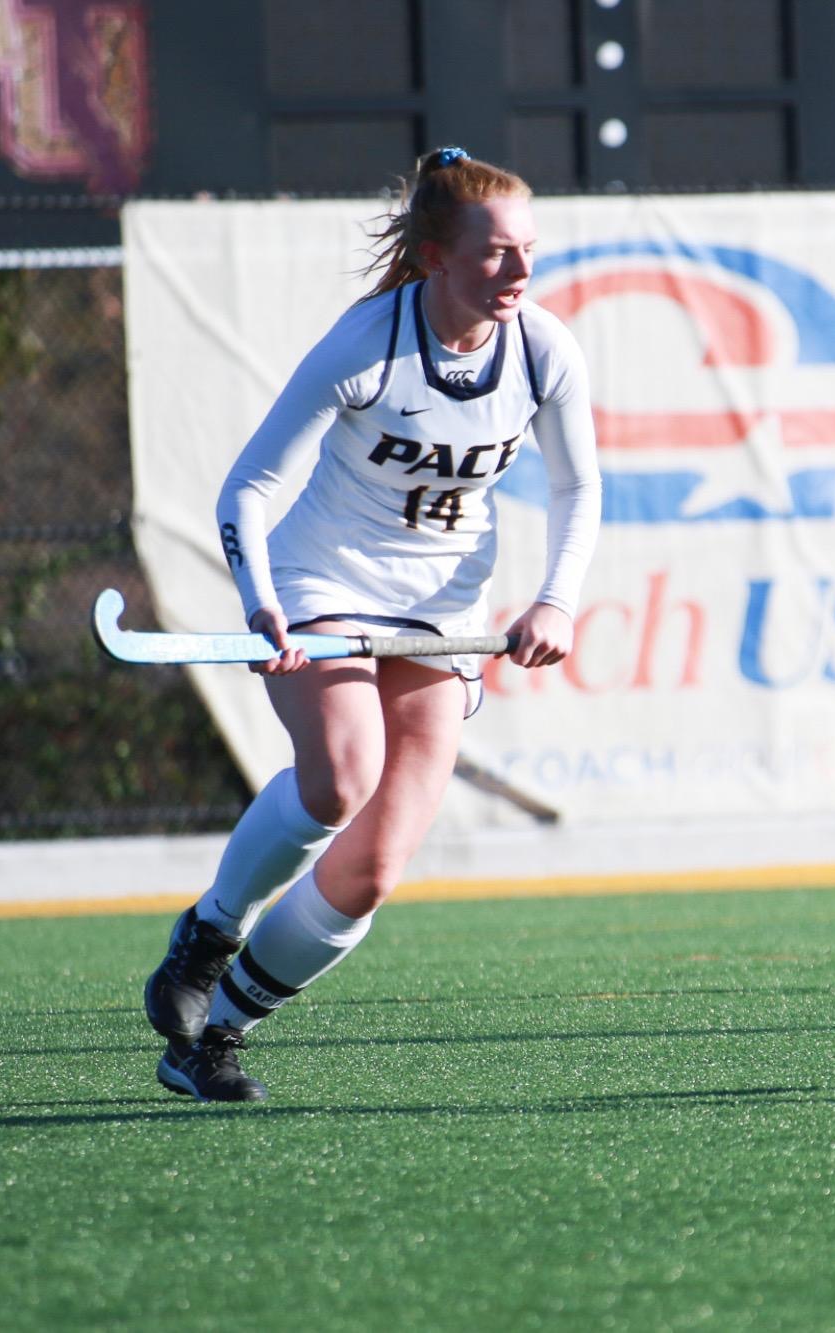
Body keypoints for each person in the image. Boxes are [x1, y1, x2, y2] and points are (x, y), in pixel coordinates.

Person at [142, 147, 601, 1101]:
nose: (518, 272)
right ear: (434, 256)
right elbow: (251, 486)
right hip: (324, 586)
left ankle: (213, 1037)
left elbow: (576, 486)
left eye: (529, 250)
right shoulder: (368, 345)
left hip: (443, 614)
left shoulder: (545, 350)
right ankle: (212, 927)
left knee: (375, 866)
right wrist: (261, 599)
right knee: (340, 778)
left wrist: (554, 596)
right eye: (494, 254)